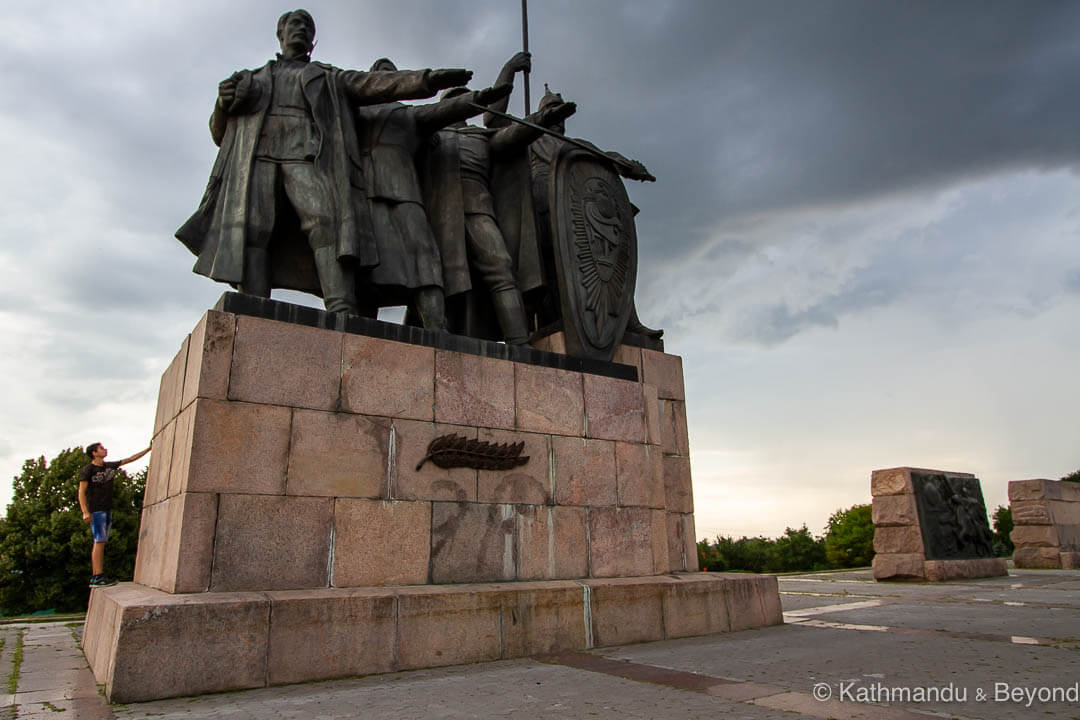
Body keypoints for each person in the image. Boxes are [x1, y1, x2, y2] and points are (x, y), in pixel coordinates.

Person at [175, 9, 472, 315]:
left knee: (326, 224)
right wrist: (223, 105)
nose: (301, 29)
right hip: (258, 158)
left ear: (313, 40)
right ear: (281, 33)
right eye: (295, 24)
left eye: (307, 26)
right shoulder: (250, 80)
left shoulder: (327, 77)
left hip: (306, 156)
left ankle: (341, 306)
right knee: (254, 228)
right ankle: (253, 304)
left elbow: (376, 84)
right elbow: (219, 133)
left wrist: (426, 80)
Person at [420, 59, 576, 344]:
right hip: (437, 218)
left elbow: (512, 132)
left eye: (464, 99)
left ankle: (518, 342)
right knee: (435, 278)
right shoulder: (429, 135)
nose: (462, 103)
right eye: (455, 99)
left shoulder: (481, 136)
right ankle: (435, 334)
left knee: (501, 267)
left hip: (479, 210)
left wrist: (542, 119)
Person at [354, 58, 512, 328]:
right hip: (362, 193)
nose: (387, 79)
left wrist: (480, 97)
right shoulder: (354, 113)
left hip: (406, 193)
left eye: (393, 74)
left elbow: (444, 111)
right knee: (364, 264)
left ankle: (436, 330)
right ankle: (356, 327)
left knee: (425, 258)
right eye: (381, 74)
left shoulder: (409, 115)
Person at [78, 442, 149, 587]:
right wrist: (85, 511)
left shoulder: (108, 466)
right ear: (94, 453)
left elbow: (129, 459)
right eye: (101, 449)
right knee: (99, 541)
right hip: (96, 510)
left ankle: (99, 575)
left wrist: (148, 449)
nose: (105, 450)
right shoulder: (88, 469)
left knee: (102, 541)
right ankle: (97, 576)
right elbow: (81, 492)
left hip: (107, 508)